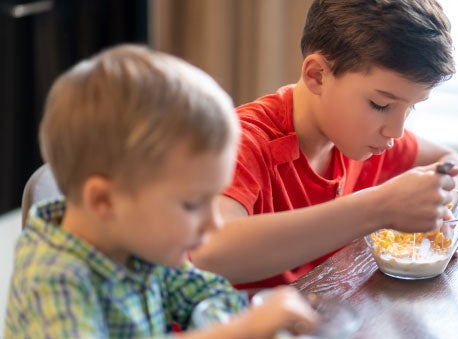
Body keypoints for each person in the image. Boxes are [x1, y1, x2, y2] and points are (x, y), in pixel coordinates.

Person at [4, 44, 318, 338]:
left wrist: (240, 316)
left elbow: (211, 294)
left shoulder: (142, 241)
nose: (215, 223)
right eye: (193, 204)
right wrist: (236, 330)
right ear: (103, 201)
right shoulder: (53, 281)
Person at [191, 0, 458, 289]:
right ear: (317, 76)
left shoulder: (363, 137)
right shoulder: (242, 140)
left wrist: (440, 209)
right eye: (380, 104)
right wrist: (377, 208)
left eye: (411, 107)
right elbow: (209, 252)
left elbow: (447, 160)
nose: (397, 131)